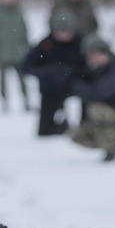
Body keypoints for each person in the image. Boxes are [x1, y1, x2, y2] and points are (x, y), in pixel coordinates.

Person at [67, 33, 115, 162]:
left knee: (96, 108)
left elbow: (97, 94)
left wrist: (77, 84)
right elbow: (85, 99)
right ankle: (107, 142)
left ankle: (110, 147)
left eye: (98, 54)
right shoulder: (91, 72)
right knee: (75, 135)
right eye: (91, 55)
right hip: (103, 121)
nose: (95, 58)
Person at [20, 8, 87, 137]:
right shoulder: (46, 44)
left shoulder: (81, 43)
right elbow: (27, 66)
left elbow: (91, 66)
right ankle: (48, 131)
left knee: (89, 97)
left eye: (67, 31)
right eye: (60, 31)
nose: (63, 35)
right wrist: (48, 73)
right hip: (50, 88)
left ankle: (86, 129)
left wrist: (73, 72)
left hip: (75, 85)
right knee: (45, 127)